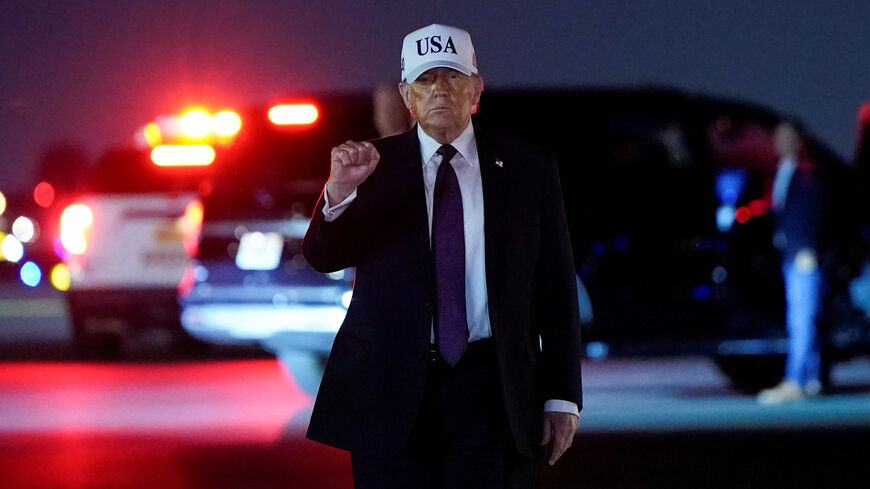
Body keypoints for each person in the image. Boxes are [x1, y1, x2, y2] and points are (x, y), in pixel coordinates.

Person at [301, 23, 582, 488]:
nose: (440, 91)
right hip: (389, 389)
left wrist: (562, 398)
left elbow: (556, 289)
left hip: (495, 390)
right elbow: (323, 256)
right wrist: (339, 193)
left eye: (452, 77)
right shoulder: (369, 166)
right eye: (426, 80)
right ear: (406, 95)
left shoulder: (527, 168)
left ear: (476, 88)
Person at [757, 119, 827, 404]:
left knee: (801, 319)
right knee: (804, 318)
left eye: (788, 137)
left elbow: (810, 214)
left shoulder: (807, 172)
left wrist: (807, 250)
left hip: (802, 256)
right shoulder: (781, 172)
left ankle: (796, 380)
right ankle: (812, 378)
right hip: (791, 255)